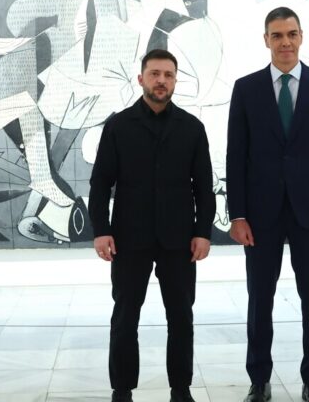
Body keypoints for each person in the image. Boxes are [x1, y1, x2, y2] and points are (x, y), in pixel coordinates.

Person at [226, 7, 309, 402]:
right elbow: (235, 157)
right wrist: (237, 214)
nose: (285, 42)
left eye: (291, 34)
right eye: (277, 35)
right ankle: (259, 380)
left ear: (301, 37)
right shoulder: (246, 88)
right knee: (259, 299)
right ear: (266, 40)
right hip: (259, 214)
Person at [89, 48, 216, 402]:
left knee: (181, 318)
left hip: (179, 239)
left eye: (168, 75)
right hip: (129, 238)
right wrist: (101, 229)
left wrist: (203, 232)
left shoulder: (192, 128)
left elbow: (203, 187)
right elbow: (100, 183)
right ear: (141, 78)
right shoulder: (118, 126)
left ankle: (181, 389)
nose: (162, 80)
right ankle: (122, 390)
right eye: (155, 74)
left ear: (175, 81)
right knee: (125, 317)